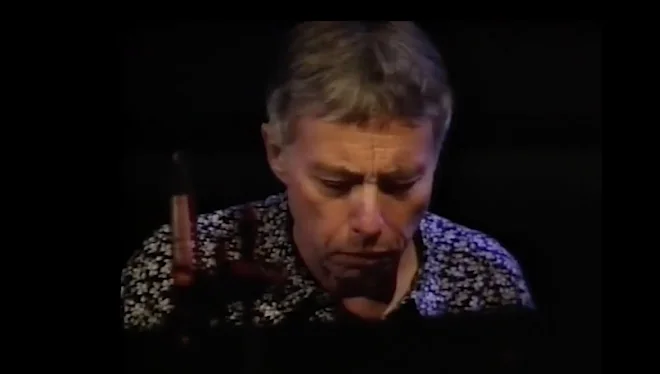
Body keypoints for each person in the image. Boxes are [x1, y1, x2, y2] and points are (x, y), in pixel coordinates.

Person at [121, 21, 535, 336]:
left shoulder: (483, 278)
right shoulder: (186, 269)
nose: (369, 223)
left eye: (400, 184)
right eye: (335, 184)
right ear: (276, 153)